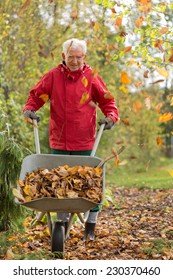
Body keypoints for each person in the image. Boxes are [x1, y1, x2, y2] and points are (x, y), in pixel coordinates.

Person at [23, 38, 119, 240]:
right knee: (59, 183)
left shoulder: (92, 78)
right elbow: (36, 95)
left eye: (78, 57)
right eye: (71, 57)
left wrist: (111, 116)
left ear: (84, 57)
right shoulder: (53, 76)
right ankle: (62, 224)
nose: (75, 61)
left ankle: (90, 227)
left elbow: (107, 101)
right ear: (63, 57)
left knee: (92, 183)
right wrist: (30, 109)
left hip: (85, 140)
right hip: (59, 140)